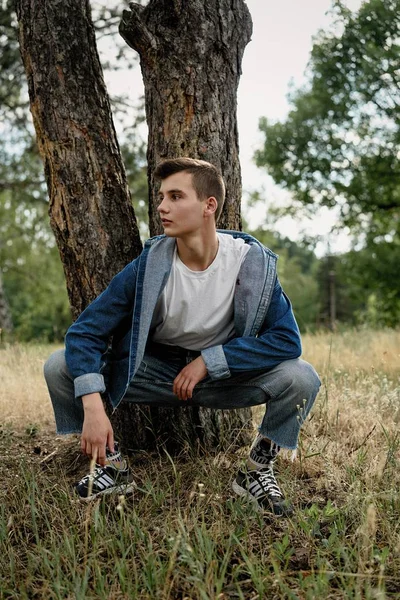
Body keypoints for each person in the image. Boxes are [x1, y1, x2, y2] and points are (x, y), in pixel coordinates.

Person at [44, 157, 321, 516]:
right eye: (161, 197)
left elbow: (287, 341)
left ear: (209, 205)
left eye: (176, 196)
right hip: (151, 374)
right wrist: (93, 407)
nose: (162, 207)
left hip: (223, 379)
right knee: (58, 366)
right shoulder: (150, 264)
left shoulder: (250, 264)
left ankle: (256, 470)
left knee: (302, 377)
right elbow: (85, 333)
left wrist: (212, 360)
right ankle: (112, 466)